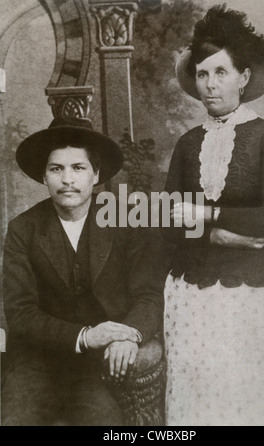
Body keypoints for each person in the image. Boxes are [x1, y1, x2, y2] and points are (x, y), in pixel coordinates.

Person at [163, 4, 264, 426]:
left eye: (220, 73)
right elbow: (169, 221)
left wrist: (205, 213)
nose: (209, 85)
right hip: (193, 294)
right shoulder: (188, 143)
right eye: (202, 74)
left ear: (243, 77)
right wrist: (216, 236)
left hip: (254, 297)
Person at [1, 116, 163, 426]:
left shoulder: (126, 218)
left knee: (102, 421)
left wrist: (128, 335)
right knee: (16, 419)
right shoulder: (24, 229)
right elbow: (20, 314)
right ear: (44, 176)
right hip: (35, 361)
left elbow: (149, 295)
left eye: (78, 168)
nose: (67, 180)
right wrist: (86, 336)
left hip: (95, 365)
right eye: (56, 169)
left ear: (96, 174)